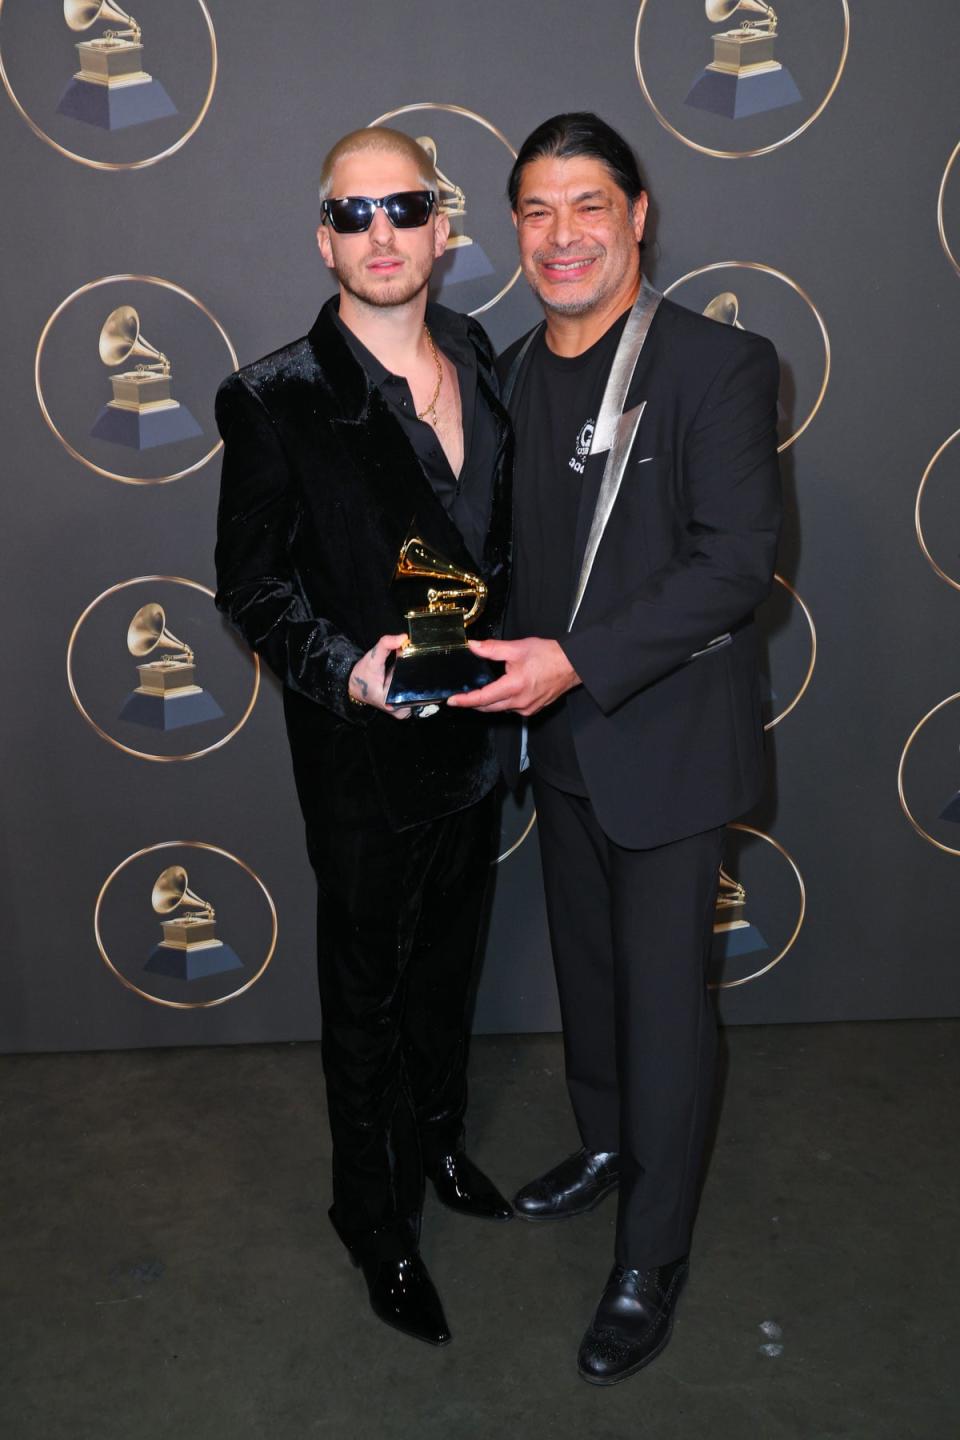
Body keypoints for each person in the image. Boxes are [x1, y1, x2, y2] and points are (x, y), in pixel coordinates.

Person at [449, 112, 781, 1383]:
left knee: (662, 1008)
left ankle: (653, 1255)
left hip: (669, 746)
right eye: (536, 209)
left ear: (637, 215)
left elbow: (734, 567)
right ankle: (603, 1144)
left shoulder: (718, 364)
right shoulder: (515, 372)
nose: (562, 234)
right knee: (590, 981)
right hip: (562, 746)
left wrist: (576, 661)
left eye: (588, 204)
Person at [214, 127, 513, 1349]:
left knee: (451, 971)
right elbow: (251, 586)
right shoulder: (275, 395)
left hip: (481, 744)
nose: (381, 233)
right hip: (363, 764)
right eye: (355, 214)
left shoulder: (485, 351)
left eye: (405, 208)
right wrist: (346, 674)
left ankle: (437, 1148)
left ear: (443, 226)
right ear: (323, 238)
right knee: (366, 996)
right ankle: (370, 1216)